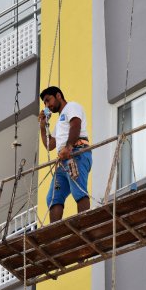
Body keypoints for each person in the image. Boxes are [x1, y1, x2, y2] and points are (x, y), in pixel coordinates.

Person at [38, 86, 91, 222]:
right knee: (54, 197)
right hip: (63, 161)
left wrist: (68, 147)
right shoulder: (60, 121)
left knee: (78, 190)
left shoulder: (72, 107)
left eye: (48, 100)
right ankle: (54, 234)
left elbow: (76, 126)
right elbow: (50, 145)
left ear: (58, 96)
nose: (47, 105)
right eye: (45, 103)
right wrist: (43, 127)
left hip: (76, 154)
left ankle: (84, 225)